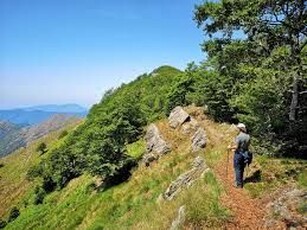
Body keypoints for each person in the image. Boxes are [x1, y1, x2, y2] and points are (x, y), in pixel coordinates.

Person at [228, 123, 251, 188]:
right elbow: (247, 146)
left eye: (237, 128)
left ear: (240, 129)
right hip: (245, 154)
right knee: (242, 168)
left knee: (237, 168)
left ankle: (238, 184)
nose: (237, 130)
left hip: (238, 154)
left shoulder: (239, 137)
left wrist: (230, 147)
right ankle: (240, 181)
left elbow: (237, 147)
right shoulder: (248, 136)